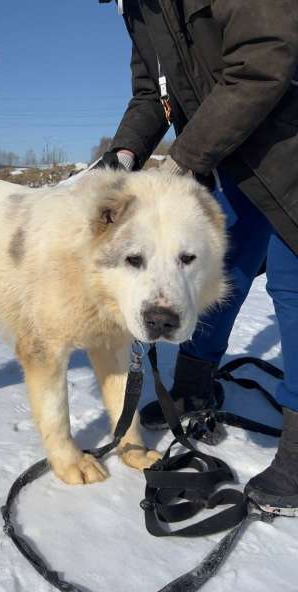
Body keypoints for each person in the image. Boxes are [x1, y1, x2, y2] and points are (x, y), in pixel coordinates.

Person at [97, 0, 298, 513]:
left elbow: (264, 60)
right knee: (217, 269)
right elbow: (154, 94)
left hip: (289, 138)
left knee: (291, 280)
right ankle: (191, 385)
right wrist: (124, 152)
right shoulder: (139, 8)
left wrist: (184, 159)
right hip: (235, 153)